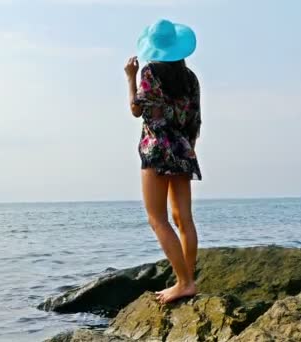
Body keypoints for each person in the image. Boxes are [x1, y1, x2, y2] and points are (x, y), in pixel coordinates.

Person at [124, 19, 202, 304]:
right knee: (184, 219)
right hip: (183, 149)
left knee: (157, 218)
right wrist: (188, 148)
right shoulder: (190, 78)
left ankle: (183, 282)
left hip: (157, 149)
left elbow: (136, 109)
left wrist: (130, 78)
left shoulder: (150, 72)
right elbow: (195, 119)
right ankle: (188, 279)